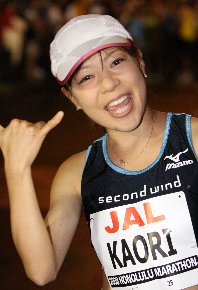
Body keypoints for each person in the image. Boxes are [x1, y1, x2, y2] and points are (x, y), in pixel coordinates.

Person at [0, 14, 198, 290]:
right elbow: (41, 269)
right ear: (72, 98)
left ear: (139, 61)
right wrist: (16, 169)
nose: (108, 83)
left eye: (116, 62)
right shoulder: (76, 173)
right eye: (87, 77)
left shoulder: (193, 140)